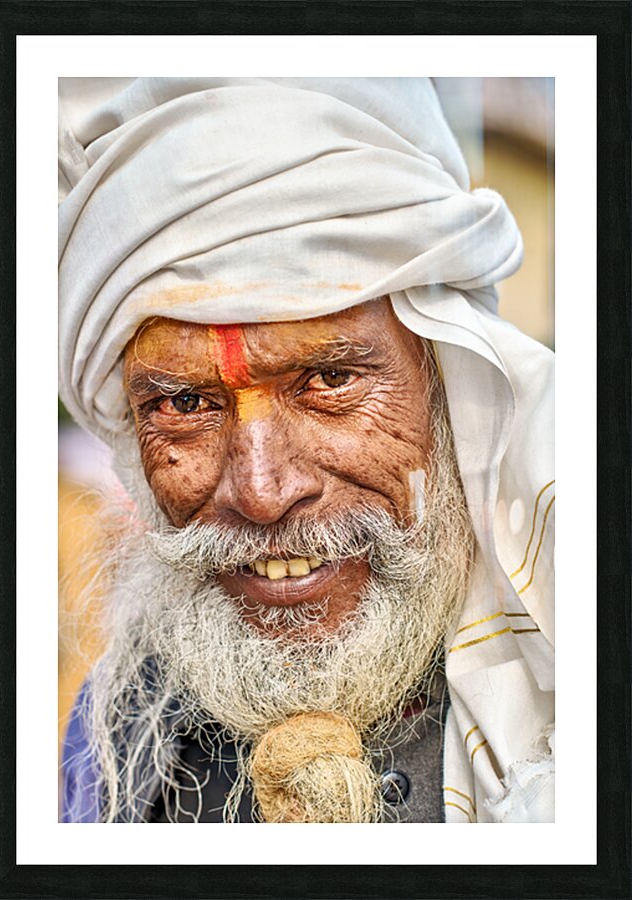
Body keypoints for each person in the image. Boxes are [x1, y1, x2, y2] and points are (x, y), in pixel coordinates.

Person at [58, 77, 555, 824]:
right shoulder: (118, 737)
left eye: (328, 379)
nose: (261, 491)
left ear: (444, 378)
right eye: (185, 404)